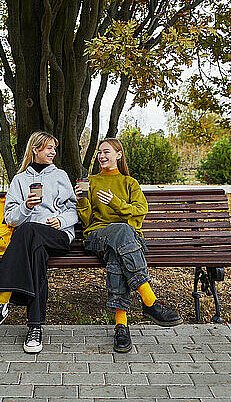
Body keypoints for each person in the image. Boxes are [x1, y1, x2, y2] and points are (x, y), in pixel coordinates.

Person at [0, 131, 78, 353]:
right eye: (48, 148)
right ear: (35, 150)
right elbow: (11, 217)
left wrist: (60, 220)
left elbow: (73, 209)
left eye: (54, 148)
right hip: (31, 242)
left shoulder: (60, 175)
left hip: (56, 235)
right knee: (35, 251)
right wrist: (26, 207)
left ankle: (2, 302)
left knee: (28, 230)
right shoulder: (19, 180)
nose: (53, 152)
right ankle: (35, 328)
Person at [75, 138, 182, 353]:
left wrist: (115, 202)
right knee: (123, 232)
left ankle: (121, 326)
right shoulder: (91, 181)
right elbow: (87, 221)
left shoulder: (129, 183)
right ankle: (150, 301)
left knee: (119, 255)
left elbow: (140, 211)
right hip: (97, 237)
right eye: (99, 153)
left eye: (106, 152)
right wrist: (82, 200)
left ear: (118, 155)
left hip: (124, 242)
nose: (101, 156)